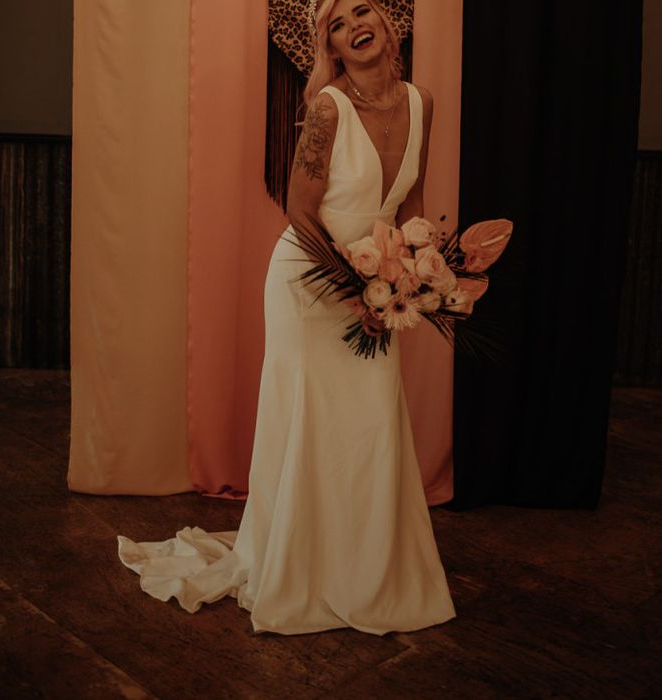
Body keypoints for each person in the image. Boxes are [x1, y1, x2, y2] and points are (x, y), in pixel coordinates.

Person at [117, 0, 456, 636]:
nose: (353, 25)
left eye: (363, 11)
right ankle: (300, 566)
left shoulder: (422, 101)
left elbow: (410, 199)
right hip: (310, 283)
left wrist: (409, 269)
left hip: (380, 281)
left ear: (388, 24)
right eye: (335, 23)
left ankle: (370, 568)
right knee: (312, 420)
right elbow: (301, 212)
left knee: (372, 422)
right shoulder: (328, 108)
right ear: (329, 45)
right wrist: (355, 288)